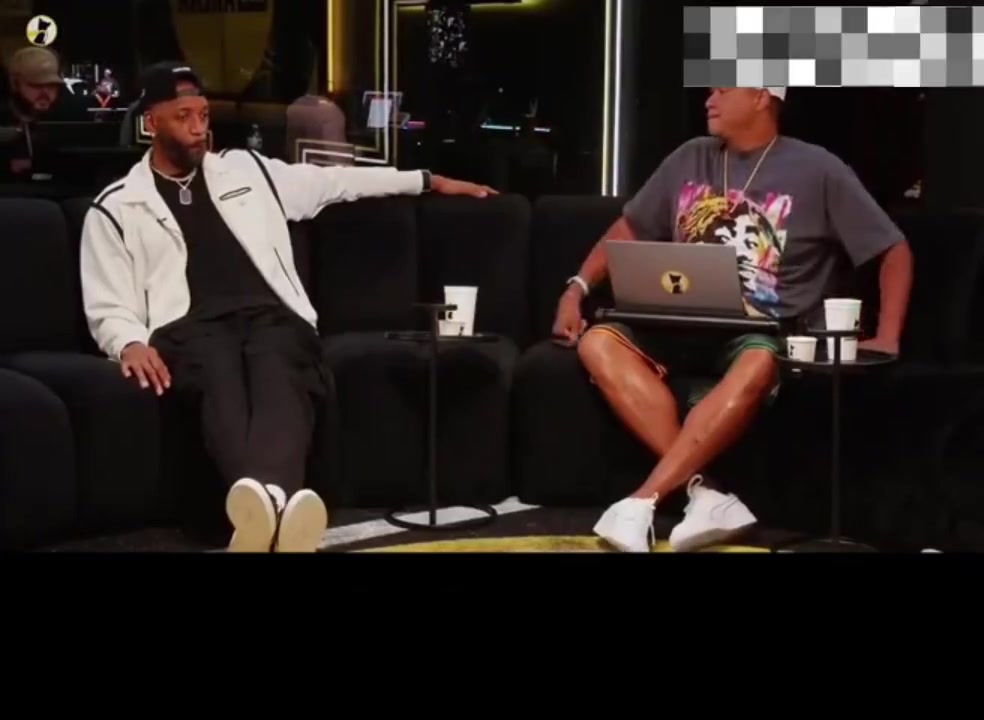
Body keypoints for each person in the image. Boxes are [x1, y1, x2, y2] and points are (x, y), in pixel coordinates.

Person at [80, 61, 496, 553]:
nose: (198, 129)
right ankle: (281, 507)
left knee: (279, 367)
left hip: (271, 314)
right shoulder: (116, 206)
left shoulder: (248, 170)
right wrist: (127, 341)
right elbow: (107, 303)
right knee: (220, 378)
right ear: (151, 122)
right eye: (183, 117)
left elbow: (337, 182)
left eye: (204, 115)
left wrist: (427, 179)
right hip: (188, 328)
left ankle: (263, 514)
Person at [552, 86, 913, 553]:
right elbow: (628, 230)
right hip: (678, 322)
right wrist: (576, 289)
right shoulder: (690, 157)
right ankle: (709, 495)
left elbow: (893, 249)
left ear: (762, 97)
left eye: (723, 88)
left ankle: (642, 500)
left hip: (758, 331)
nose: (710, 98)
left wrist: (887, 335)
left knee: (760, 363)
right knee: (598, 342)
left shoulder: (817, 168)